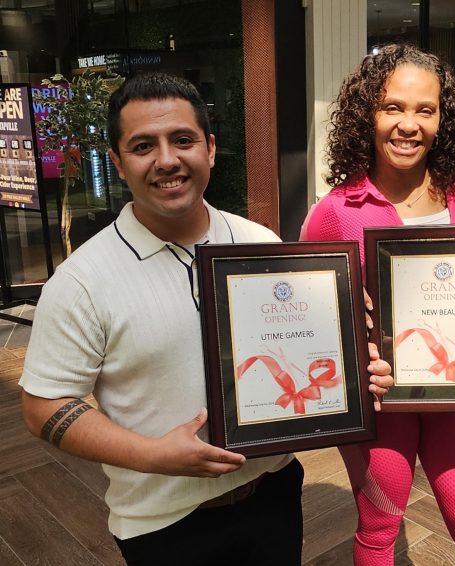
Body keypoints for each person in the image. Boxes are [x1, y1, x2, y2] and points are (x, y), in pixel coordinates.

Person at [19, 73, 392, 566]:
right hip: (163, 522)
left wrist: (356, 373)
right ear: (116, 162)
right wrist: (152, 455)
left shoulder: (260, 244)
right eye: (142, 145)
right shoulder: (82, 280)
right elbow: (43, 405)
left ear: (210, 149)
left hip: (273, 489)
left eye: (183, 140)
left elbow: (309, 349)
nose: (167, 160)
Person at [301, 44, 455, 565]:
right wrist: (344, 324)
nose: (408, 125)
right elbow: (310, 311)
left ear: (441, 119)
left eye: (424, 110)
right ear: (369, 114)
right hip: (381, 403)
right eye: (393, 107)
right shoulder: (336, 211)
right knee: (379, 528)